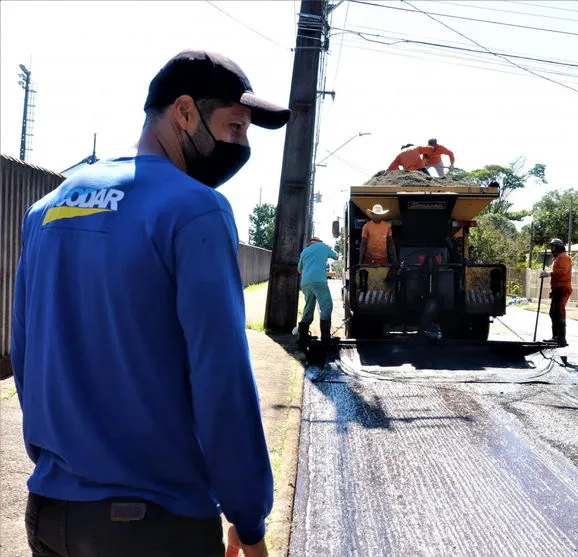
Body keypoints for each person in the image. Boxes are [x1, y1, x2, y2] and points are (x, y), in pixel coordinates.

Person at [10, 49, 291, 557]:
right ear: (184, 112)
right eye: (234, 126)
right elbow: (221, 378)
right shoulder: (194, 209)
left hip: (51, 512)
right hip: (154, 524)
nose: (241, 144)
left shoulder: (47, 209)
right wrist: (247, 517)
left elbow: (26, 356)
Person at [297, 237, 339, 347]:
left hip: (305, 282)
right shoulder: (324, 246)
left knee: (309, 307)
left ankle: (303, 337)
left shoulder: (304, 251)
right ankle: (325, 337)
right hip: (319, 281)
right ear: (319, 241)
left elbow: (299, 269)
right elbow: (336, 255)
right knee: (326, 307)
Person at [539, 238, 572, 347]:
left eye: (554, 247)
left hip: (562, 289)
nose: (552, 249)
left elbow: (561, 272)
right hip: (557, 289)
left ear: (559, 247)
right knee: (553, 313)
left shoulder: (564, 258)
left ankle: (561, 339)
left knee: (559, 313)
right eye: (551, 247)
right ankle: (555, 337)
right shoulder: (558, 258)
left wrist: (547, 273)